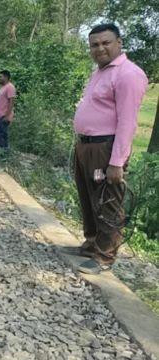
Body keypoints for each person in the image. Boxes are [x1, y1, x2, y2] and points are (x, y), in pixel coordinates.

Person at [71, 23, 148, 274]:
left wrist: (117, 162)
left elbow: (128, 121)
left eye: (106, 43)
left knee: (108, 200)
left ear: (119, 43)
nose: (100, 48)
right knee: (88, 196)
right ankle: (92, 243)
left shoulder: (128, 74)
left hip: (105, 149)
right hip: (86, 147)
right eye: (94, 44)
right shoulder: (99, 72)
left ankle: (104, 256)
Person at [0, 70, 16, 149]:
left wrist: (7, 116)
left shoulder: (10, 87)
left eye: (0, 77)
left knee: (1, 136)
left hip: (4, 116)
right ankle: (1, 153)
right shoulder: (2, 87)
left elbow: (11, 102)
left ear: (6, 77)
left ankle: (4, 154)